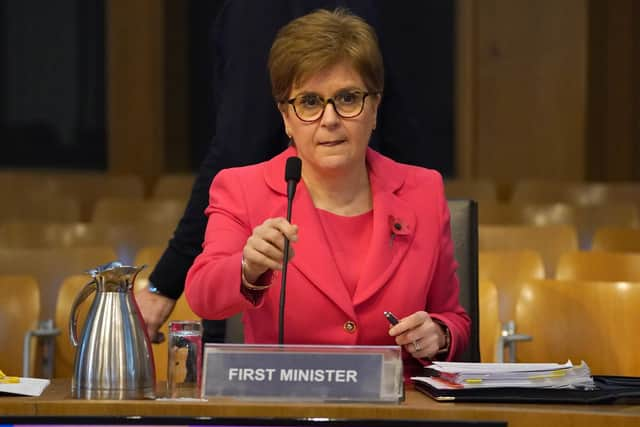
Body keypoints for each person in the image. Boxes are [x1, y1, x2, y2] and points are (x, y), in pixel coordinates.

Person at [136, 0, 456, 346]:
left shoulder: (423, 190)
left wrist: (439, 333)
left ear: (375, 107)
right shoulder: (242, 190)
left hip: (396, 397)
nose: (330, 119)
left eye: (348, 99)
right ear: (286, 117)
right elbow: (203, 296)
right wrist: (246, 266)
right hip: (287, 396)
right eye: (309, 102)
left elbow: (454, 318)